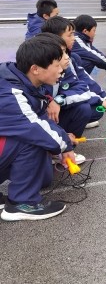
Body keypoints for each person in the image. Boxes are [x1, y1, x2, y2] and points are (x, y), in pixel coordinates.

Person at [0, 36, 77, 221]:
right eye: (57, 65)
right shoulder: (9, 93)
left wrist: (63, 140)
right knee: (31, 139)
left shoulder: (24, 81)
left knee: (41, 141)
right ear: (35, 69)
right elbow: (35, 128)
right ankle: (22, 203)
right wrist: (65, 147)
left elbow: (40, 118)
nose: (62, 69)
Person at [39, 19, 106, 136]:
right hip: (41, 118)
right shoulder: (41, 70)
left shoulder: (67, 60)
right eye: (70, 34)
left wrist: (103, 97)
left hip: (56, 107)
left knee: (93, 109)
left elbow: (80, 83)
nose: (74, 38)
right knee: (85, 108)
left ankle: (64, 136)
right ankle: (59, 141)